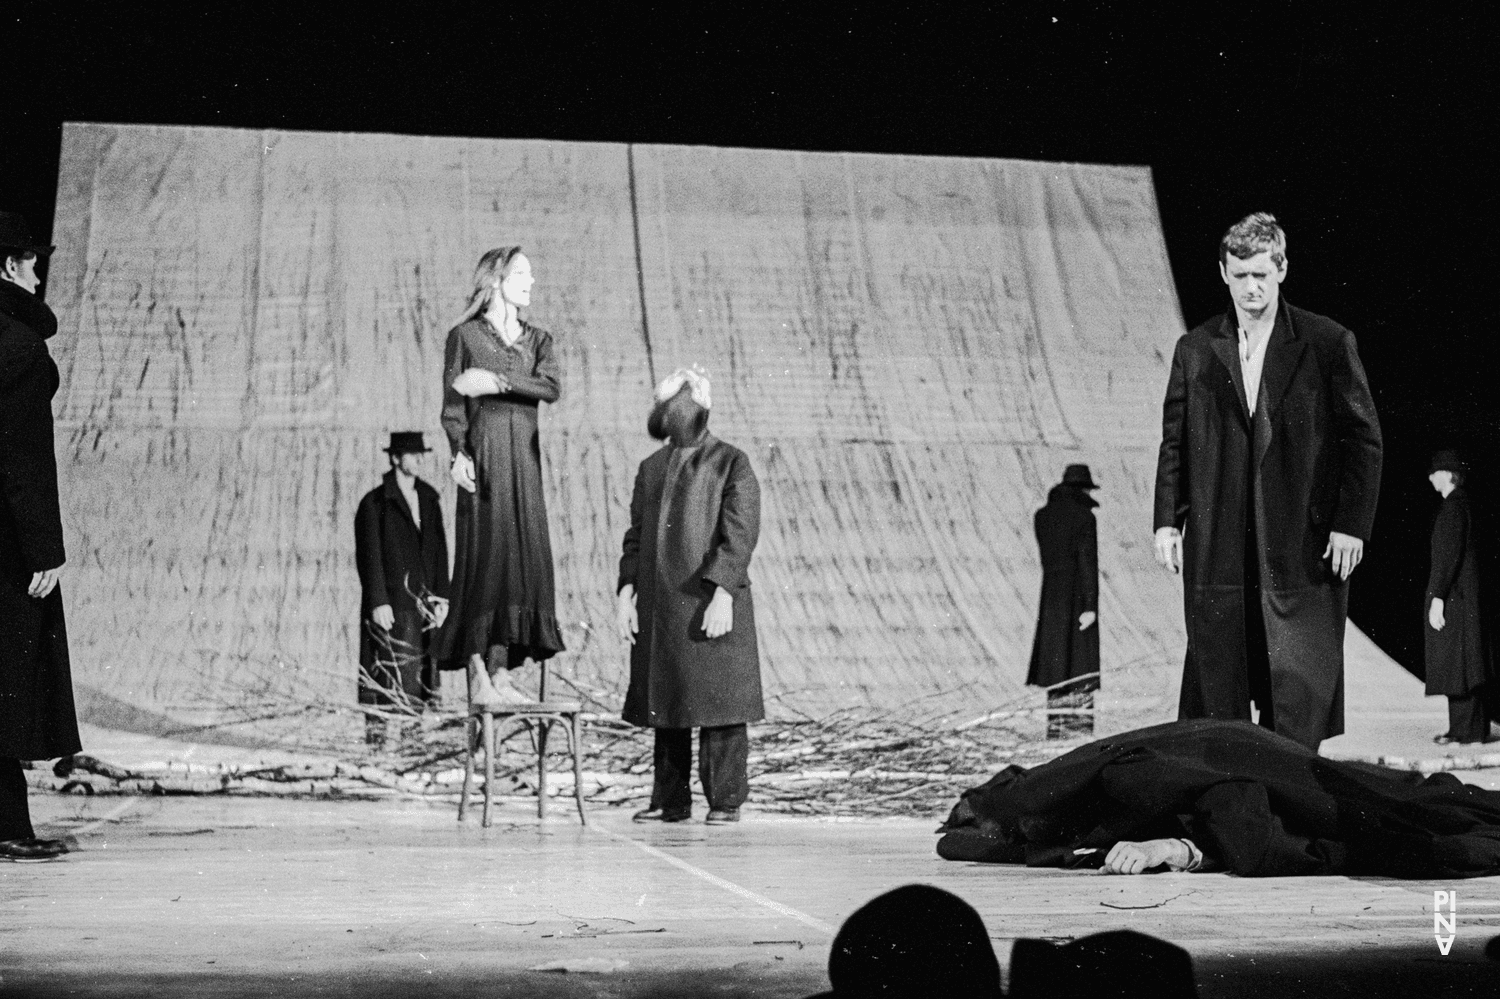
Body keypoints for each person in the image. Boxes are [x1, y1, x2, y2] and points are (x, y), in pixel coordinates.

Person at [1153, 212, 1382, 752]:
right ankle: (1232, 787)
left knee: (1296, 688)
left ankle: (1290, 784)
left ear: (1281, 269)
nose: (1251, 287)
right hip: (1222, 542)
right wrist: (1166, 521)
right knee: (1220, 680)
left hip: (1302, 541)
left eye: (1261, 273)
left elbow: (1364, 439)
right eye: (1240, 275)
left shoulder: (1326, 342)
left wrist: (1351, 524)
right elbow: (1175, 442)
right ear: (1223, 273)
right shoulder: (1196, 348)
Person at [936, 718, 1500, 879]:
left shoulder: (1123, 782)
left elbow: (1235, 807)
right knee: (1396, 809)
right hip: (1241, 752)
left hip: (1244, 766)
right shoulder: (1082, 778)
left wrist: (1178, 850)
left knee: (1397, 822)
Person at [617, 367, 764, 825]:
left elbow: (740, 534)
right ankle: (671, 800)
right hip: (661, 604)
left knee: (721, 706)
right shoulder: (652, 468)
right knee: (668, 703)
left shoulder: (730, 462)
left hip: (709, 602)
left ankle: (725, 801)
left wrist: (722, 593)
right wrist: (625, 593)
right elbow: (636, 537)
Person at [434, 247, 565, 707]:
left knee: (521, 562)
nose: (531, 280)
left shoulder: (538, 340)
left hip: (523, 464)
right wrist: (458, 454)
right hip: (485, 460)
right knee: (485, 559)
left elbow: (551, 387)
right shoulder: (465, 336)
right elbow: (453, 407)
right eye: (521, 272)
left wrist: (499, 382)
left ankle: (502, 672)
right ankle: (479, 672)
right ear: (495, 280)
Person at [0, 211, 81, 862]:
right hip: (7, 548)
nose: (37, 274)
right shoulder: (21, 347)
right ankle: (8, 826)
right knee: (10, 683)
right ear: (9, 266)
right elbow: (24, 459)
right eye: (31, 262)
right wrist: (44, 550)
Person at [354, 431, 450, 744]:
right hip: (392, 606)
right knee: (385, 676)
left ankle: (412, 750)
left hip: (424, 605)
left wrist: (443, 599)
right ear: (396, 458)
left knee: (419, 680)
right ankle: (377, 749)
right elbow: (369, 557)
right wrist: (378, 601)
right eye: (413, 454)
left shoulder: (429, 499)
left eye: (422, 453)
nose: (420, 459)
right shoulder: (374, 503)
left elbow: (440, 552)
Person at [1425, 450, 1495, 745]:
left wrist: (1437, 597)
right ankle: (1470, 730)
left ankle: (1465, 732)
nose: (1430, 477)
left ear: (1446, 474)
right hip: (1467, 598)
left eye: (1434, 472)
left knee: (1458, 665)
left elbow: (1447, 557)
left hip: (1456, 598)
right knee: (1467, 664)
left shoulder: (1453, 509)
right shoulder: (1464, 505)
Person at [1026, 464, 1100, 738]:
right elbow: (1087, 563)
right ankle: (1079, 730)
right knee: (1080, 664)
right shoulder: (1085, 518)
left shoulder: (1042, 516)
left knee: (1055, 665)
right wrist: (1090, 606)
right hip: (1078, 597)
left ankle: (1056, 727)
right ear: (1083, 490)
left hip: (1051, 598)